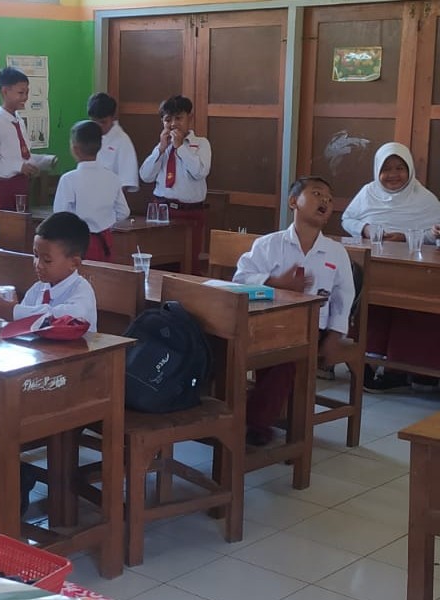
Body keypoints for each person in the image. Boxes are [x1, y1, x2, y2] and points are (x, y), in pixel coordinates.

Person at [0, 212, 98, 514]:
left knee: (0, 409)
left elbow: (58, 320)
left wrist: (13, 312)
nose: (38, 265)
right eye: (35, 256)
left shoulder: (81, 292)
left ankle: (8, 484)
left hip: (71, 382)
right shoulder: (37, 289)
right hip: (38, 375)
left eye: (46, 260)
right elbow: (22, 325)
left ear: (74, 262)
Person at [234, 177, 354, 446]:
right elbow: (240, 279)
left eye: (329, 198)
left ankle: (254, 422)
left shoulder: (336, 252)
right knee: (257, 349)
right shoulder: (269, 244)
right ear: (293, 202)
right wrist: (275, 282)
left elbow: (344, 296)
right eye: (316, 194)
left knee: (287, 357)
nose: (325, 201)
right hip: (268, 325)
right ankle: (251, 414)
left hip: (314, 328)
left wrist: (336, 335)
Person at [342, 142, 440, 392]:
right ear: (377, 170)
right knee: (367, 302)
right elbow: (347, 219)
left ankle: (408, 368)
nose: (393, 174)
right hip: (373, 265)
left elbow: (434, 235)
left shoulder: (425, 199)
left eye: (400, 168)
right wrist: (365, 229)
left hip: (414, 270)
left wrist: (406, 237)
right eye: (386, 169)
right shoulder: (368, 193)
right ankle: (367, 361)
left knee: (413, 307)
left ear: (410, 169)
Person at [139, 95, 211, 274]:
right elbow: (145, 176)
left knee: (189, 264)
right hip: (162, 211)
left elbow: (199, 172)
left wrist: (180, 147)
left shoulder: (201, 144)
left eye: (178, 118)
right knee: (160, 262)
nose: (173, 124)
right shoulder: (162, 147)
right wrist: (160, 149)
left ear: (189, 118)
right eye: (167, 120)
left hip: (190, 213)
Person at [53, 120, 130, 261]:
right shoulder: (112, 177)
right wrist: (105, 220)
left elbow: (60, 216)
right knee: (104, 273)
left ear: (75, 148)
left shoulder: (68, 179)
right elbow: (124, 211)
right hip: (105, 241)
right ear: (100, 146)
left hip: (78, 243)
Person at [0, 66, 37, 211]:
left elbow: (22, 154)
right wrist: (18, 167)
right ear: (5, 91)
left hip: (22, 186)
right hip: (3, 190)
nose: (25, 97)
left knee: (21, 223)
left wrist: (37, 162)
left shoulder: (19, 121)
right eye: (20, 93)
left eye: (27, 92)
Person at [87, 92, 140, 194]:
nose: (98, 126)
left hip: (111, 196)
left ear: (113, 118)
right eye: (94, 121)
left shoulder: (122, 140)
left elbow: (126, 181)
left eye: (103, 122)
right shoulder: (87, 135)